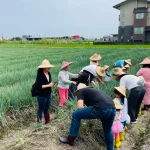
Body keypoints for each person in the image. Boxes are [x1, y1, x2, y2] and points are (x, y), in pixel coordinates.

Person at [59, 83, 116, 150]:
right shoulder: (94, 92)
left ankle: (70, 139)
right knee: (107, 130)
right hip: (112, 109)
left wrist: (84, 116)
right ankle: (110, 149)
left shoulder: (81, 91)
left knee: (76, 114)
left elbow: (80, 107)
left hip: (100, 108)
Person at [36, 59, 56, 126]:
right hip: (41, 95)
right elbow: (39, 86)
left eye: (49, 66)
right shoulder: (40, 74)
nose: (49, 68)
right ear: (43, 67)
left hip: (48, 93)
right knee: (41, 108)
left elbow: (48, 83)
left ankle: (47, 121)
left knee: (47, 107)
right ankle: (39, 124)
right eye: (47, 67)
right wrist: (49, 85)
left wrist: (51, 84)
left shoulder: (48, 73)